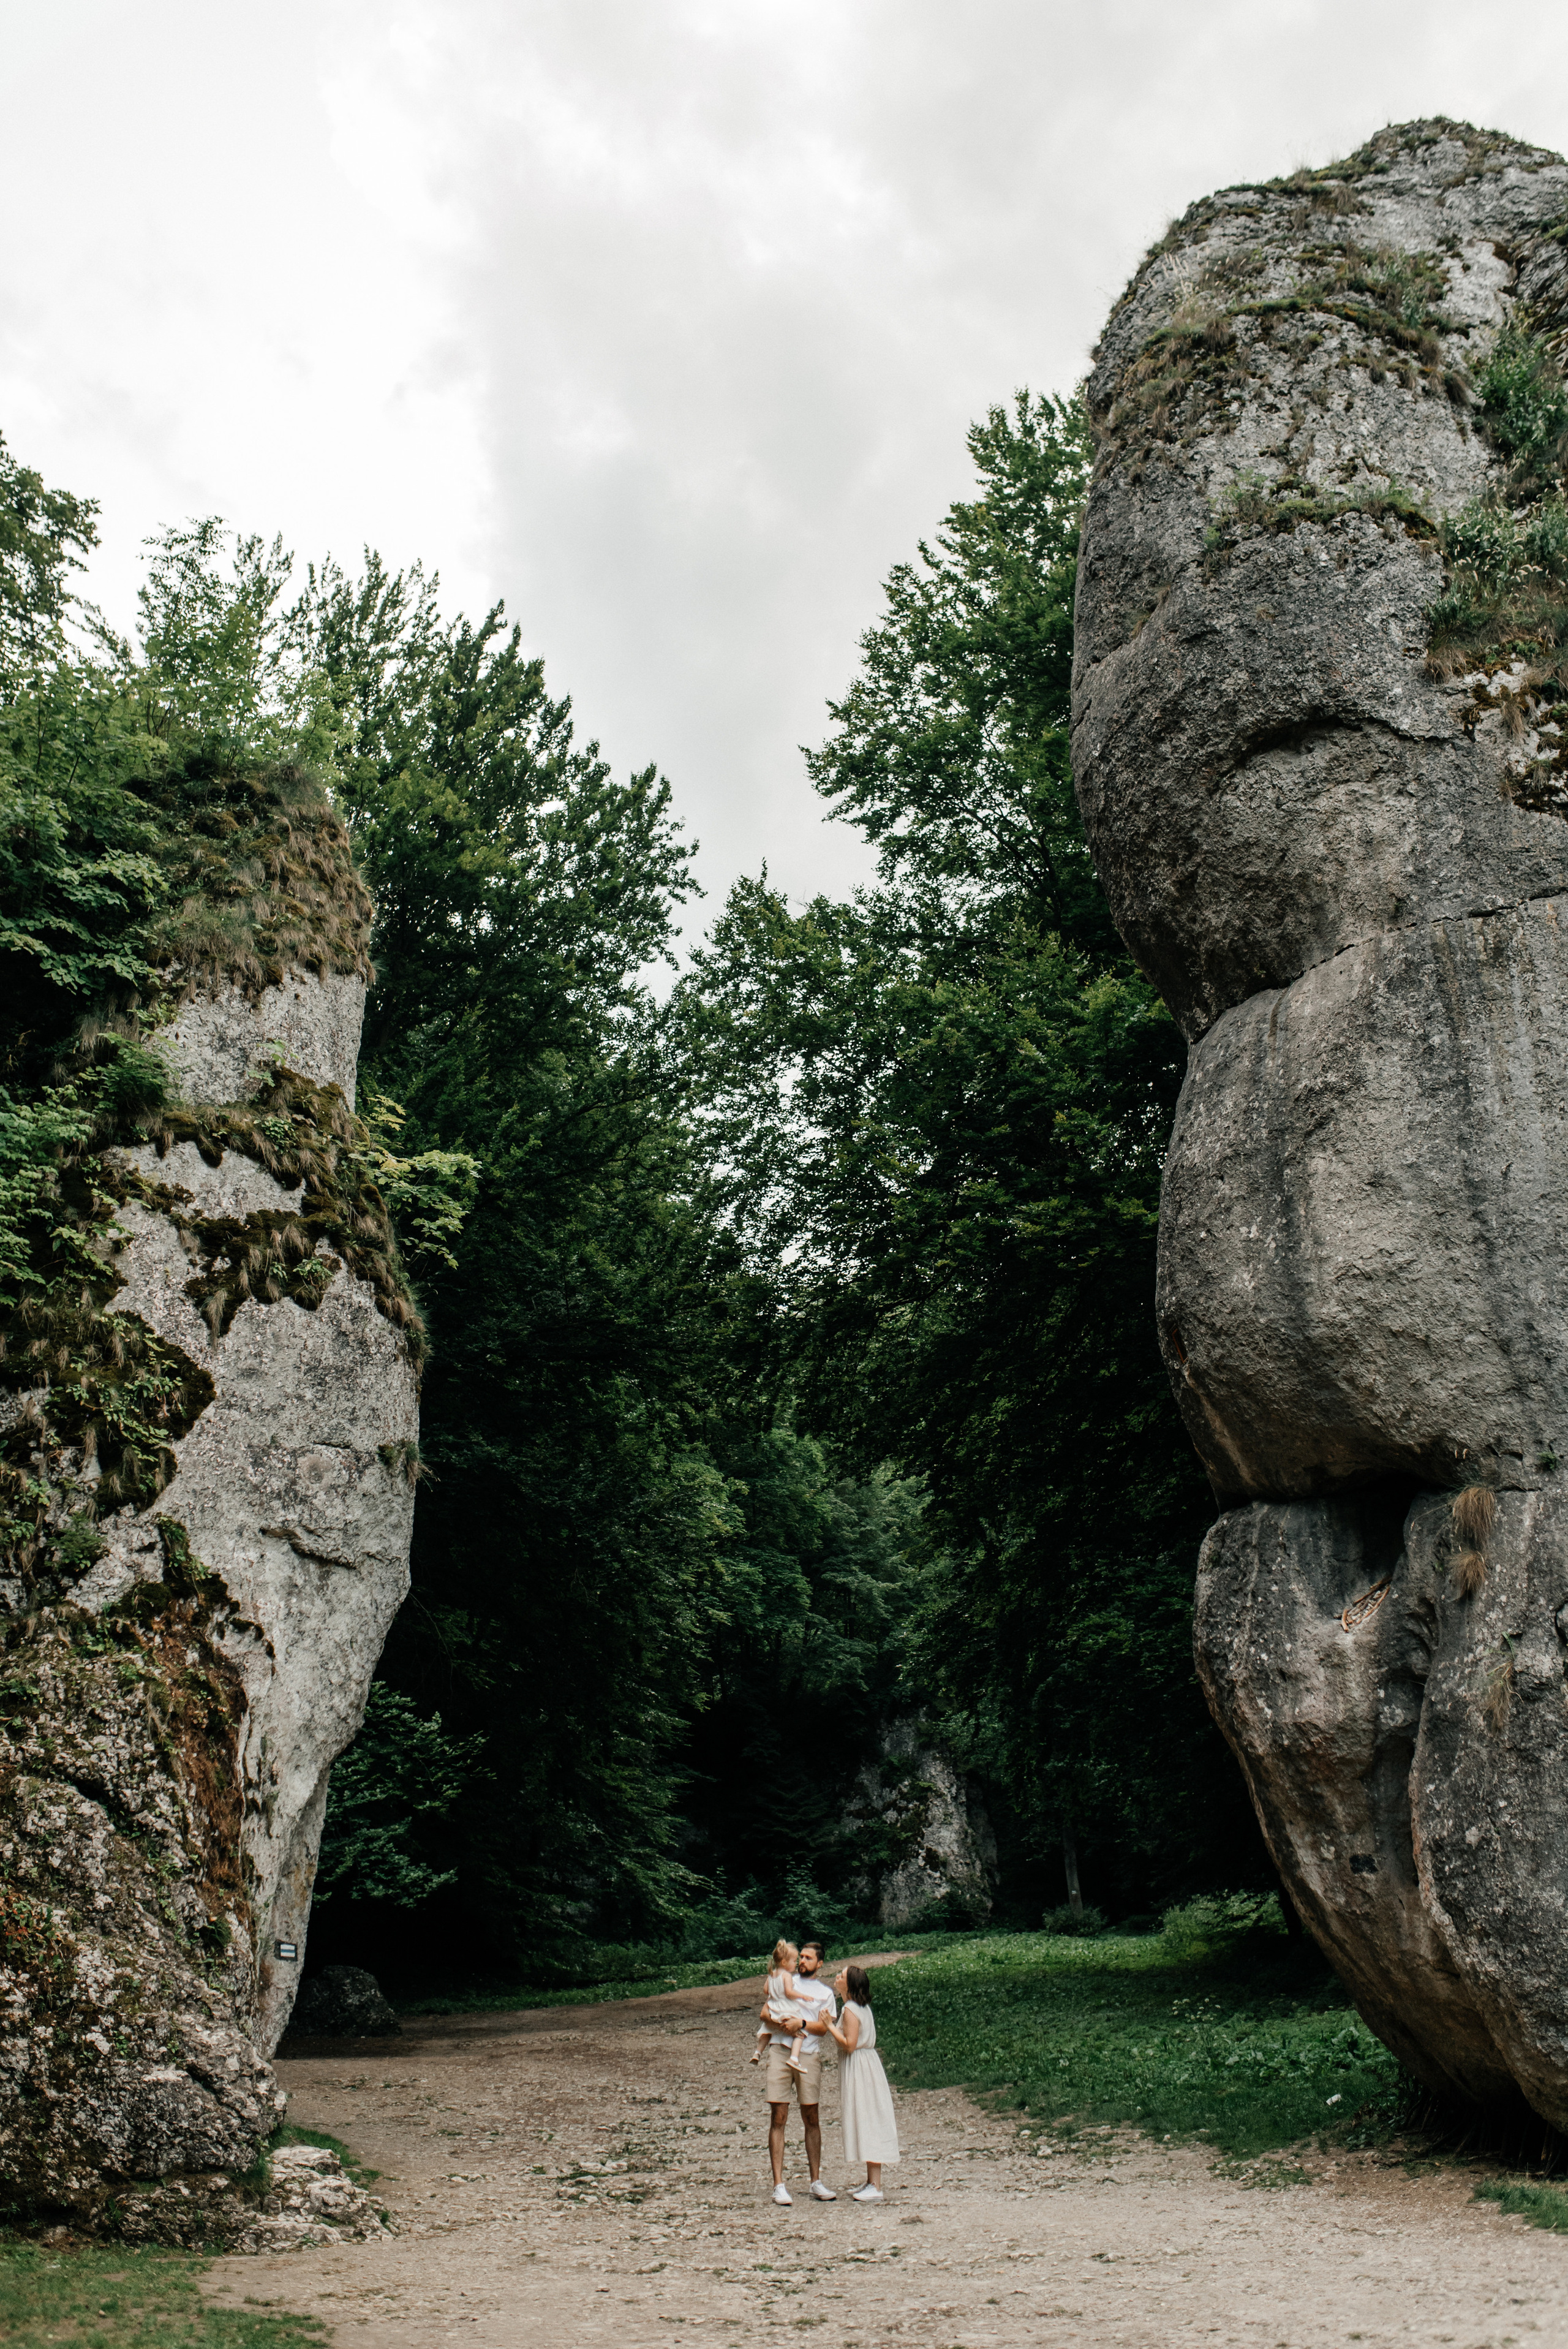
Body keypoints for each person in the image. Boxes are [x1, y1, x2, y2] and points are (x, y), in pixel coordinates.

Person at [760, 1937, 839, 2204]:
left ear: (820, 1963)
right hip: (780, 2052)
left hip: (809, 2056)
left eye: (808, 1958)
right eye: (800, 1957)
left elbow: (825, 2028)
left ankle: (815, 2180)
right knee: (778, 2116)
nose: (802, 1961)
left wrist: (801, 2022)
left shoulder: (826, 1994)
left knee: (811, 2117)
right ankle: (778, 2185)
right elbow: (764, 2011)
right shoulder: (785, 1979)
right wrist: (780, 2023)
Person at [824, 1964, 900, 2201]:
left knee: (868, 2119)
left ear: (850, 1984)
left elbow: (850, 2044)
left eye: (842, 1976)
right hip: (866, 2065)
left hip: (860, 2066)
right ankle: (870, 2182)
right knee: (867, 2118)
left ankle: (875, 2186)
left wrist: (828, 2026)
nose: (837, 1977)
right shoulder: (860, 2007)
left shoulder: (850, 2009)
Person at [752, 1939, 809, 2072]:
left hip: (773, 2008)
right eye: (794, 1961)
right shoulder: (786, 1975)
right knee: (800, 2033)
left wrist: (774, 1995)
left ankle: (757, 2053)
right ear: (784, 1962)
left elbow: (766, 1990)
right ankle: (794, 2058)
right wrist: (802, 1996)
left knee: (767, 2030)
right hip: (785, 2008)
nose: (796, 1964)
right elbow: (789, 1993)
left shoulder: (772, 1974)